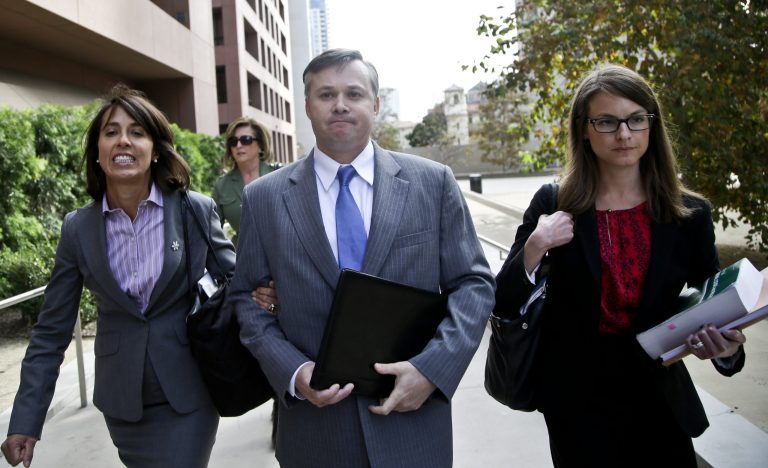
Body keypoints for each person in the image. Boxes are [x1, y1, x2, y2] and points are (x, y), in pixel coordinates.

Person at [230, 48, 495, 467]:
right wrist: (296, 373)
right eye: (326, 94)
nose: (340, 104)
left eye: (353, 93)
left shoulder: (432, 183)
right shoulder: (264, 198)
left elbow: (474, 284)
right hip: (316, 434)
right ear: (307, 106)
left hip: (412, 424)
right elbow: (245, 298)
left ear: (375, 104)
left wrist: (431, 370)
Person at [493, 64, 747, 467]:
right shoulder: (553, 203)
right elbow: (504, 301)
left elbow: (714, 299)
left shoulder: (690, 213)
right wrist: (536, 244)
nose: (624, 134)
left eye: (635, 119)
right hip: (576, 404)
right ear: (584, 129)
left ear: (651, 125)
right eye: (607, 122)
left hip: (660, 395)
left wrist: (726, 350)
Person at [1, 85, 235, 468]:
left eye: (137, 132)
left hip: (190, 392)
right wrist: (26, 420)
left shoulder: (193, 210)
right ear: (98, 151)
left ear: (156, 149)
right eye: (111, 132)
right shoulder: (78, 229)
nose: (122, 140)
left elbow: (237, 284)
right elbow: (51, 330)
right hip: (124, 404)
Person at [213, 117, 278, 246]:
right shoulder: (222, 185)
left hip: (281, 252)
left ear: (261, 145)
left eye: (246, 140)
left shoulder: (279, 175)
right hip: (242, 256)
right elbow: (212, 231)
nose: (238, 145)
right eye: (233, 141)